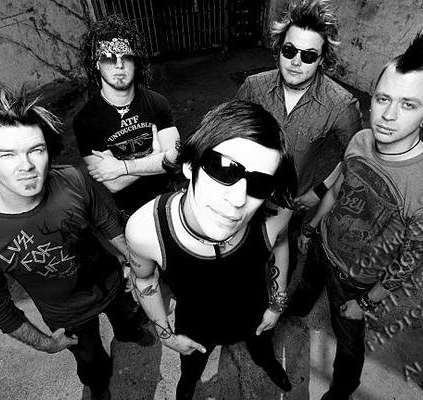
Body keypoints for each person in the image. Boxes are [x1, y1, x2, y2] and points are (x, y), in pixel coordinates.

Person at [289, 25, 423, 400]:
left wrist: (367, 302)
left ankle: (342, 391)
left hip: (356, 280)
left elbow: (410, 259)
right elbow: (339, 188)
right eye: (383, 99)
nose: (388, 115)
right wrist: (311, 228)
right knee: (305, 287)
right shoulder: (360, 140)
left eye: (408, 104)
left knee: (348, 340)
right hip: (323, 245)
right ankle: (296, 310)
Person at [0, 85, 153, 400]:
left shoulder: (71, 178)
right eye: (6, 154)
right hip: (69, 316)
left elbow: (105, 219)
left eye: (36, 149)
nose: (26, 165)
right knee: (92, 362)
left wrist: (134, 263)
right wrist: (46, 343)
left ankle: (129, 332)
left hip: (113, 283)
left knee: (129, 320)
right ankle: (99, 387)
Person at [125, 101, 298, 399]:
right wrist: (166, 335)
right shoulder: (146, 230)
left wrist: (277, 304)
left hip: (253, 311)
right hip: (196, 323)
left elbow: (281, 243)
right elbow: (144, 279)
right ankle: (187, 387)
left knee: (262, 349)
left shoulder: (276, 215)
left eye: (259, 183)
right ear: (189, 165)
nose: (238, 199)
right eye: (225, 169)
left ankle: (268, 364)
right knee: (191, 369)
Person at [236, 0, 361, 212]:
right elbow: (229, 134)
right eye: (289, 50)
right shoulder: (253, 87)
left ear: (322, 59)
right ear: (279, 48)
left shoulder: (341, 105)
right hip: (246, 192)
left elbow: (355, 156)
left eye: (309, 55)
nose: (296, 62)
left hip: (293, 202)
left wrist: (320, 191)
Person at [74, 13, 180, 223]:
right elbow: (113, 183)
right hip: (131, 211)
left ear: (136, 62)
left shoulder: (157, 103)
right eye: (108, 58)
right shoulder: (85, 121)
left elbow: (174, 159)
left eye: (126, 57)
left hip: (169, 198)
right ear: (96, 64)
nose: (119, 65)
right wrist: (156, 157)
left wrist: (122, 168)